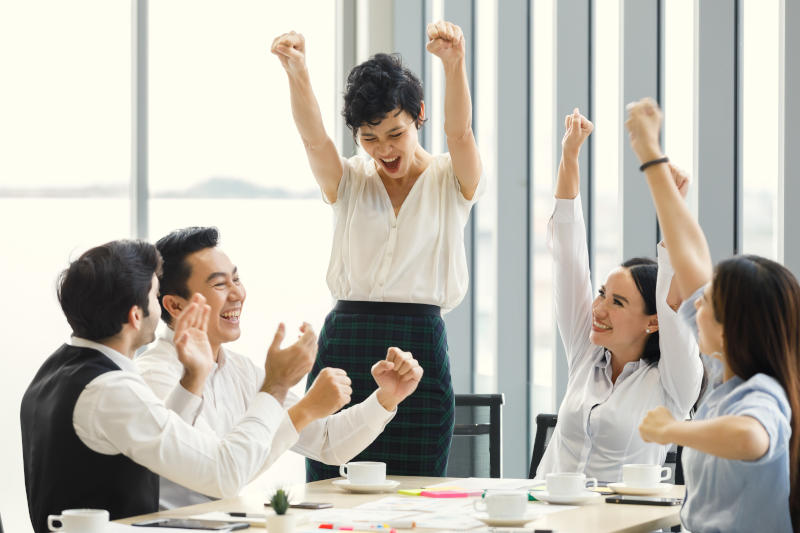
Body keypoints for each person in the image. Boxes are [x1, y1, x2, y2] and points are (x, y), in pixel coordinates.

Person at [270, 20, 485, 480]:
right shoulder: (349, 180)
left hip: (419, 345)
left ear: (418, 116)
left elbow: (461, 134)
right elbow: (314, 139)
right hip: (347, 340)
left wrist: (454, 64)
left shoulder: (451, 179)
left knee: (417, 489)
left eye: (395, 133)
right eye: (369, 138)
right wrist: (297, 71)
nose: (383, 149)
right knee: (330, 484)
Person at [19, 240, 349, 532]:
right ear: (135, 316)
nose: (161, 304)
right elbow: (225, 475)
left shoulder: (59, 370)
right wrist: (275, 386)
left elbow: (154, 440)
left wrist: (193, 378)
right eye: (154, 295)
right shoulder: (110, 390)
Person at [136, 226, 424, 508]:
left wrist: (386, 397)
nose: (237, 294)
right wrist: (296, 402)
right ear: (175, 306)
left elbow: (327, 442)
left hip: (224, 522)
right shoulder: (154, 376)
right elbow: (222, 475)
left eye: (236, 279)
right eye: (220, 284)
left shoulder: (239, 369)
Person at [630, 97, 798, 533]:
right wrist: (651, 157)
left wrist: (674, 430)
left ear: (732, 328)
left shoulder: (764, 394)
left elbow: (750, 437)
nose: (696, 306)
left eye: (708, 304)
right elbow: (692, 258)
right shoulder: (726, 376)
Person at [534, 108, 704, 482]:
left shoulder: (672, 383)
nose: (599, 309)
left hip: (623, 512)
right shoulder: (587, 353)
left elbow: (673, 300)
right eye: (602, 294)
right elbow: (568, 258)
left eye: (618, 302)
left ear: (653, 322)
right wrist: (570, 155)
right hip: (550, 508)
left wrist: (672, 205)